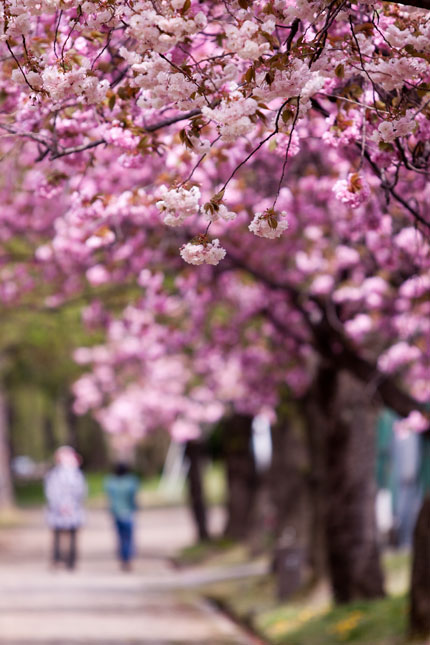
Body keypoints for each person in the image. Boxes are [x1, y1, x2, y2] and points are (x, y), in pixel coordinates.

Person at [44, 445, 87, 570]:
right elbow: (51, 491)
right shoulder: (56, 474)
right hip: (60, 509)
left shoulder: (75, 474)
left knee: (68, 535)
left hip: (71, 508)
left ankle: (69, 560)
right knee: (60, 535)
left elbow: (80, 491)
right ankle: (59, 559)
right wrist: (61, 505)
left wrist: (69, 504)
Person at [105, 463, 139, 571]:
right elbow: (133, 498)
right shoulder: (131, 482)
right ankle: (127, 558)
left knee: (120, 537)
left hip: (116, 513)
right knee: (128, 538)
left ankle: (122, 557)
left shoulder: (111, 482)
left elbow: (109, 498)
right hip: (128, 513)